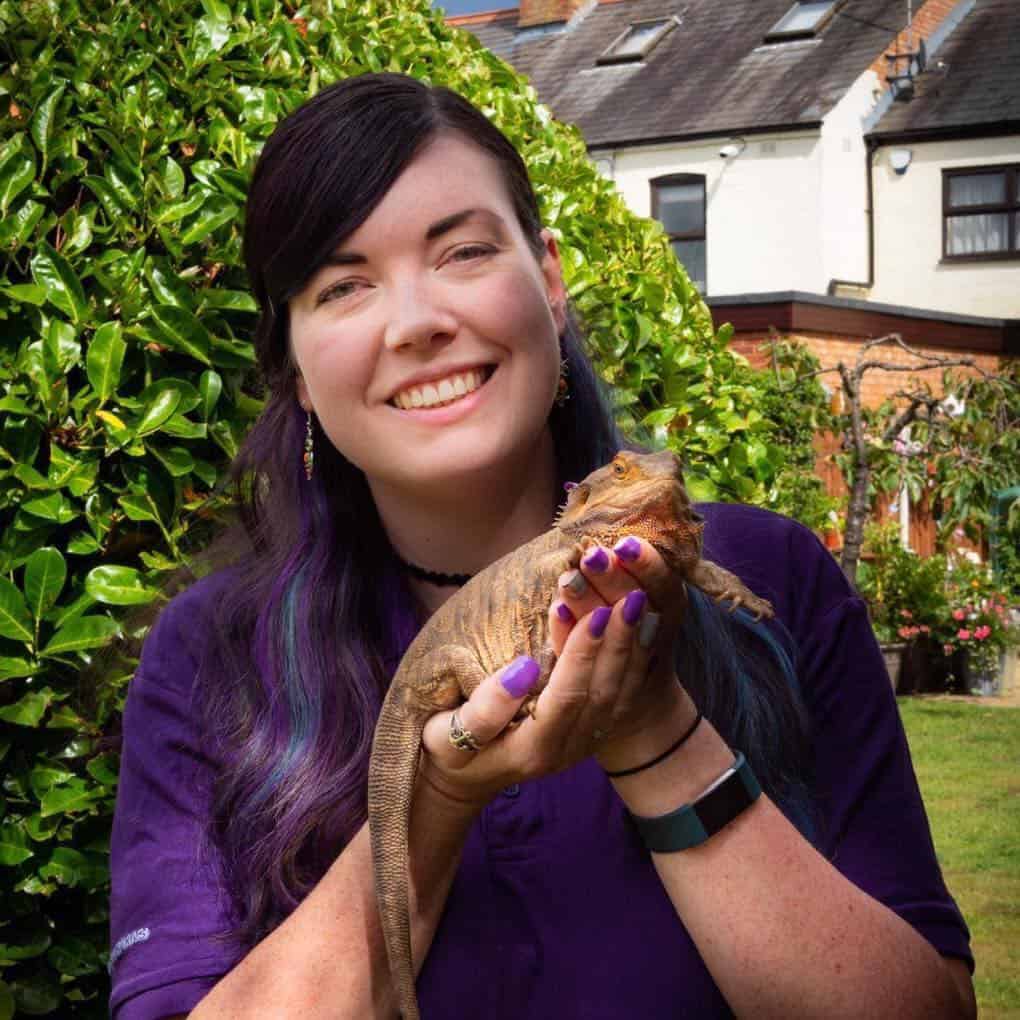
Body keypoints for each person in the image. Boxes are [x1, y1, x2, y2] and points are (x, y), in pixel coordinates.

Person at [109, 73, 975, 1019]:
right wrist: (432, 801)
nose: (417, 322)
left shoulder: (773, 573)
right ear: (298, 372)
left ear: (550, 281)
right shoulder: (210, 655)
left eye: (465, 251)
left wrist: (655, 731)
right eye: (344, 285)